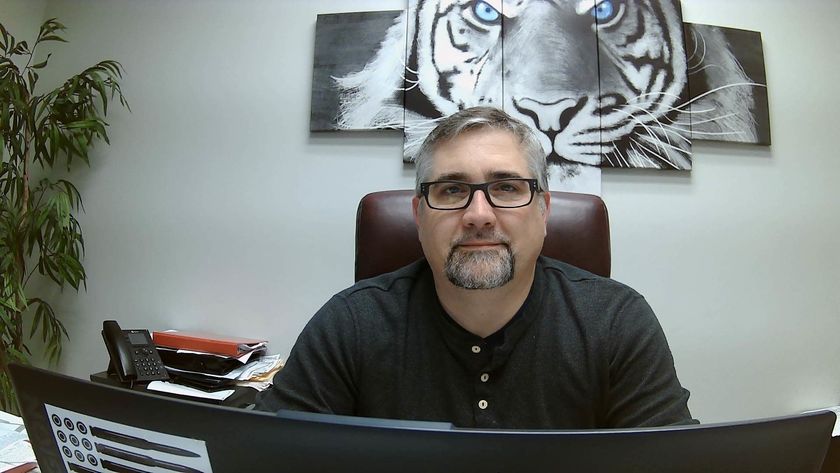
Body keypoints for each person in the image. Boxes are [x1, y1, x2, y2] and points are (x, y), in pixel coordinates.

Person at [256, 106, 696, 428]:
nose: (479, 214)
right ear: (419, 214)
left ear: (543, 211)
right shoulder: (350, 322)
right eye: (451, 190)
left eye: (506, 187)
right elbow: (264, 456)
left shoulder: (617, 322)